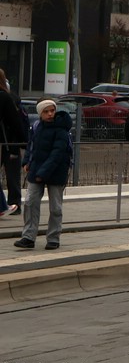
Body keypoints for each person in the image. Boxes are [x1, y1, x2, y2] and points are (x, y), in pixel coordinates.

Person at [13, 99, 72, 249]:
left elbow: (57, 154)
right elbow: (31, 146)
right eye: (46, 111)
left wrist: (42, 173)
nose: (50, 114)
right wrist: (26, 162)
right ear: (40, 113)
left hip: (56, 171)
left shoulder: (61, 129)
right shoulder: (37, 126)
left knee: (55, 207)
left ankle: (53, 238)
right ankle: (28, 237)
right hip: (37, 169)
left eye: (52, 110)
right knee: (30, 202)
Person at [0, 68, 26, 215]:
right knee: (12, 175)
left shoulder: (6, 98)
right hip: (10, 143)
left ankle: (9, 204)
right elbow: (16, 122)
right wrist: (24, 141)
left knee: (12, 175)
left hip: (7, 142)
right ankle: (14, 204)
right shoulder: (8, 97)